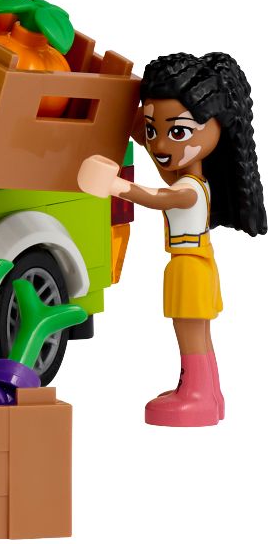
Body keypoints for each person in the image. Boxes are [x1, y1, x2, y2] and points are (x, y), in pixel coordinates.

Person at [80, 51, 263, 425]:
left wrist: (116, 185)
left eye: (178, 132)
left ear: (216, 127)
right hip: (194, 264)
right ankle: (207, 393)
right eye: (154, 131)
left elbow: (160, 197)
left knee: (190, 332)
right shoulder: (191, 176)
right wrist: (137, 127)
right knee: (197, 331)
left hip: (189, 267)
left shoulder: (189, 188)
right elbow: (161, 163)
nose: (161, 145)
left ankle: (196, 394)